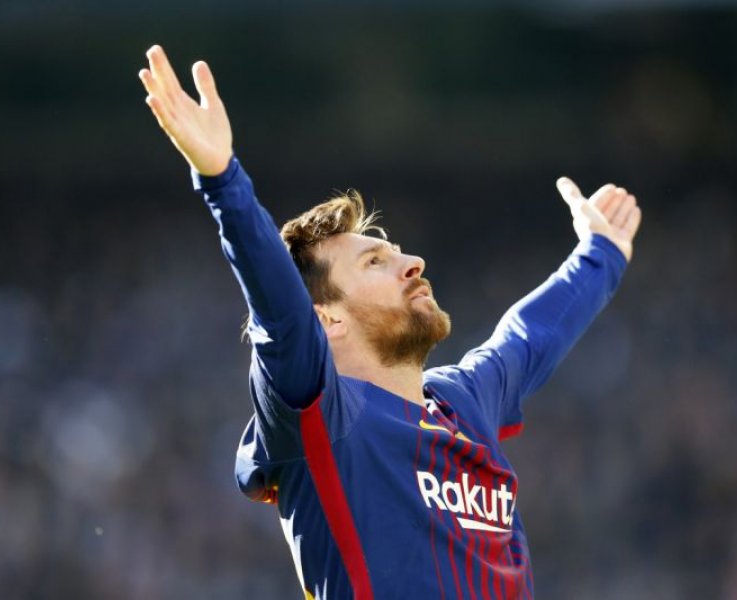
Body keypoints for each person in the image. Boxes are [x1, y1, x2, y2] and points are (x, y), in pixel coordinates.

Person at [138, 44, 641, 600]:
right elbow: (279, 310)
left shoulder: (463, 400)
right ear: (326, 318)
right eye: (376, 262)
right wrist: (222, 180)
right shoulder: (323, 415)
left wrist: (601, 255)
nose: (414, 262)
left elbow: (528, 336)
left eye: (398, 252)